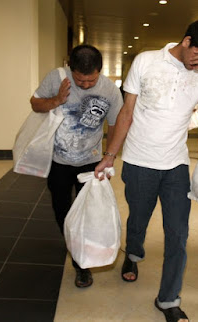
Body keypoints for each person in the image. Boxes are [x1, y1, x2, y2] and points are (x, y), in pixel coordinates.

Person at [95, 20, 198, 322]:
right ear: (186, 42)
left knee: (178, 234)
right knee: (139, 219)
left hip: (176, 166)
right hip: (139, 161)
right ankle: (133, 254)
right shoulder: (146, 61)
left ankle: (169, 299)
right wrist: (110, 155)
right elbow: (127, 113)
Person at [30, 45, 124, 288]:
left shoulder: (110, 90)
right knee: (61, 209)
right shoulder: (57, 77)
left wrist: (110, 156)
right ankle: (72, 242)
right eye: (79, 80)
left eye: (90, 80)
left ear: (99, 71)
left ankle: (82, 265)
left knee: (88, 212)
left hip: (91, 162)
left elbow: (115, 125)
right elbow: (35, 104)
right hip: (58, 161)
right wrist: (57, 100)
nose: (84, 85)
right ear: (70, 69)